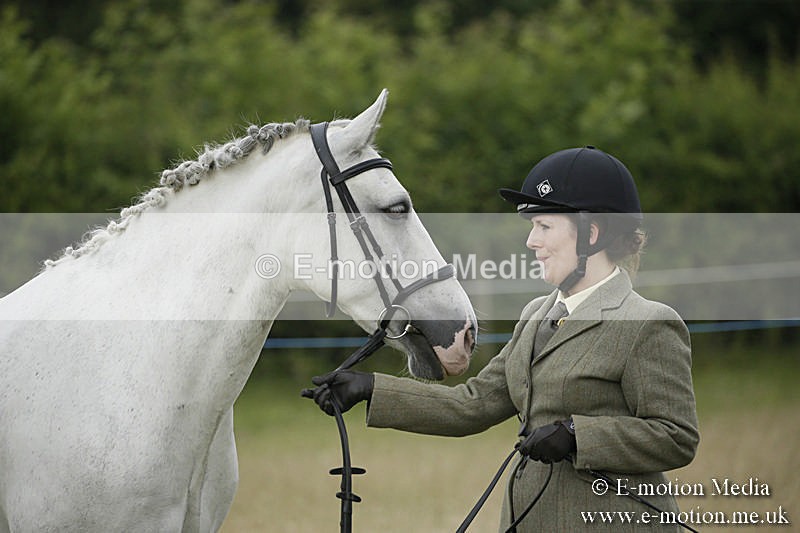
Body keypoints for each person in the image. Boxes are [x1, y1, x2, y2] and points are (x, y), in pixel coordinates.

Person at [304, 146, 699, 531]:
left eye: (544, 226)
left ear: (591, 233)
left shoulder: (648, 324)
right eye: (532, 228)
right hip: (527, 518)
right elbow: (472, 405)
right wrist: (370, 388)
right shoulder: (534, 317)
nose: (531, 242)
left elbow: (676, 436)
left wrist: (579, 436)